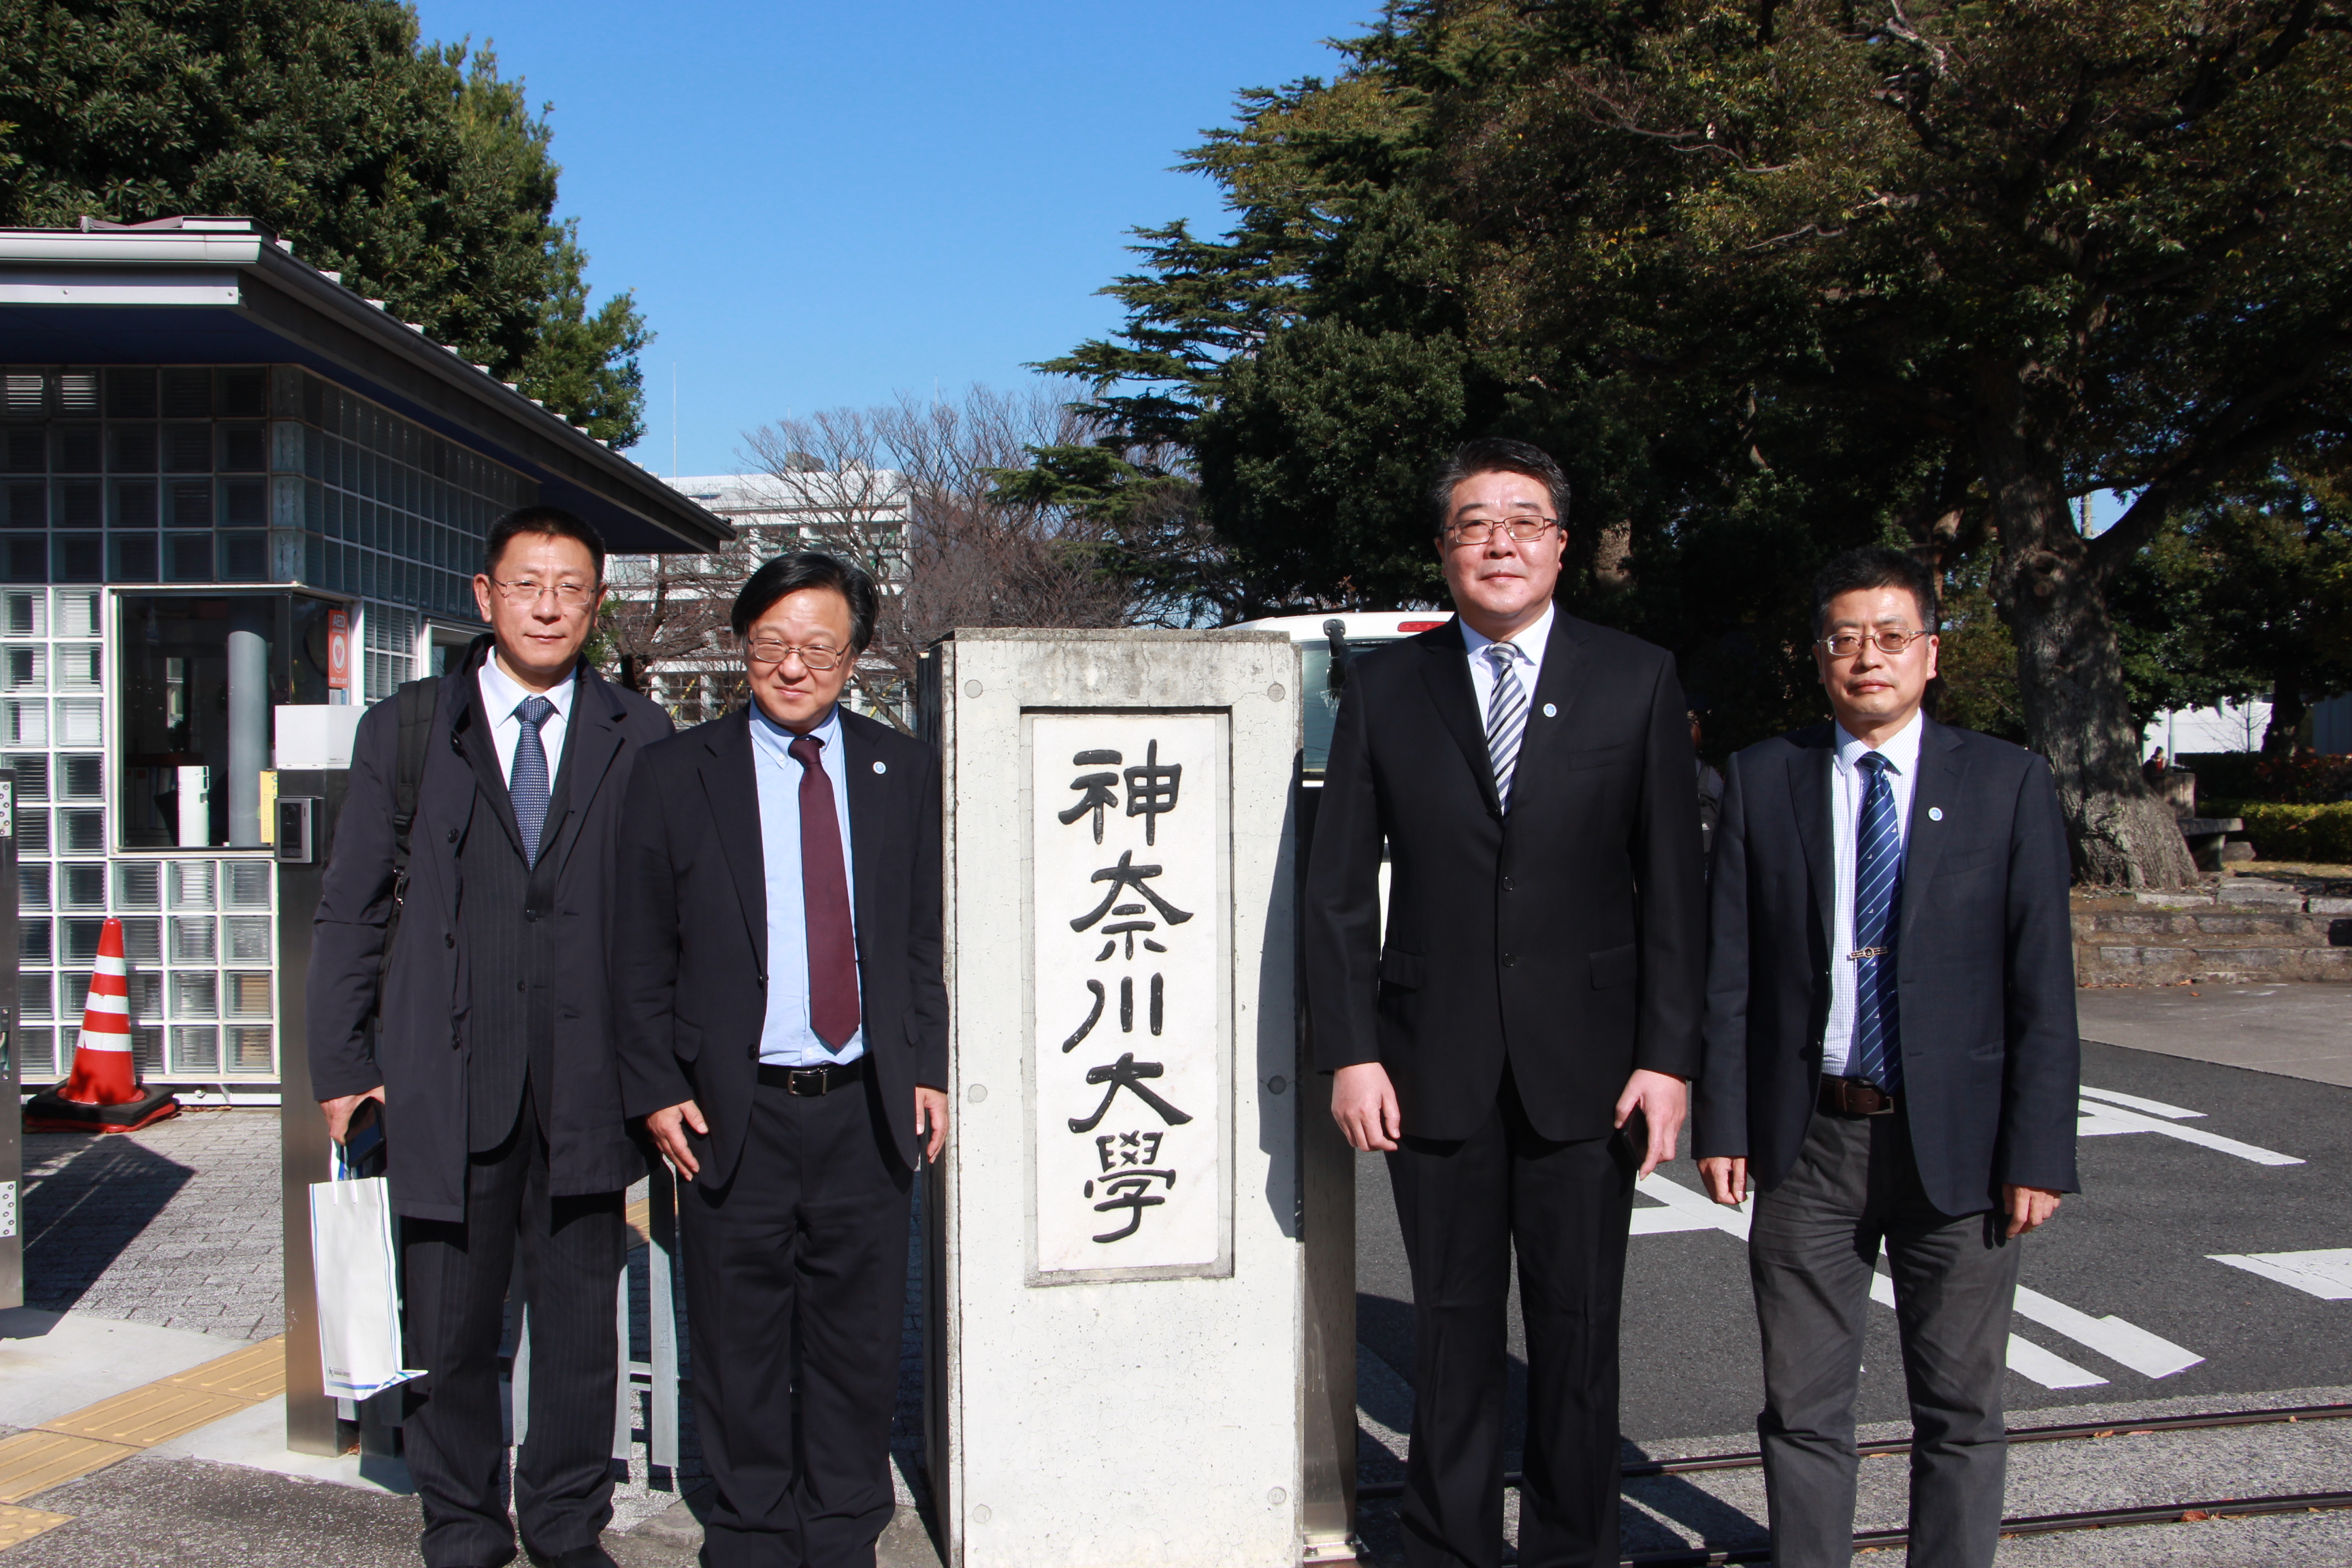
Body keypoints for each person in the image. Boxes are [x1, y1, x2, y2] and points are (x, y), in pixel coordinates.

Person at [1303, 438, 1705, 1568]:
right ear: (1443, 549)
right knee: (1452, 1338)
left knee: (1580, 1342)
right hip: (1429, 1064)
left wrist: (1670, 1058)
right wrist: (1351, 1049)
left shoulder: (1637, 678)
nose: (1500, 542)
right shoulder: (1388, 689)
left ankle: (1577, 1549)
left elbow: (1677, 887)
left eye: (1523, 520)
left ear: (1561, 545)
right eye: (1474, 523)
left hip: (1594, 1068)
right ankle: (1448, 1549)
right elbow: (1338, 895)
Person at [1694, 546, 2078, 1568]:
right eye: (1846, 637)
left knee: (1961, 1404)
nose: (1869, 657)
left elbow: (2043, 982)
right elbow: (1727, 971)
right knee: (1803, 1405)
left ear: (1931, 652)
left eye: (1892, 635)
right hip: (1807, 1140)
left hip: (1961, 1149)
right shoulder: (1762, 777)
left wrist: (2037, 1147)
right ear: (1817, 656)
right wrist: (1723, 1120)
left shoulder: (2005, 781)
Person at [309, 506, 674, 1568]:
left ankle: (565, 1526)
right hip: (443, 1077)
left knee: (576, 1335)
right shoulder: (411, 728)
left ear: (597, 604)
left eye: (570, 587)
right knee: (452, 1332)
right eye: (527, 585)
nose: (549, 605)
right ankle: (463, 1527)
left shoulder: (640, 735)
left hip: (589, 1084)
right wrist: (342, 1068)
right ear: (486, 595)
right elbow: (352, 910)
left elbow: (669, 919)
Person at [610, 552, 949, 1568]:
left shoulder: (901, 771)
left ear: (855, 656)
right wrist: (657, 1087)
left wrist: (925, 1066)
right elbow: (638, 949)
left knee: (854, 1338)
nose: (792, 667)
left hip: (864, 1104)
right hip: (731, 1107)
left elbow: (920, 945)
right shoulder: (676, 774)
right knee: (737, 1336)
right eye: (771, 645)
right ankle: (752, 1530)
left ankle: (846, 1527)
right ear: (740, 645)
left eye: (818, 647)